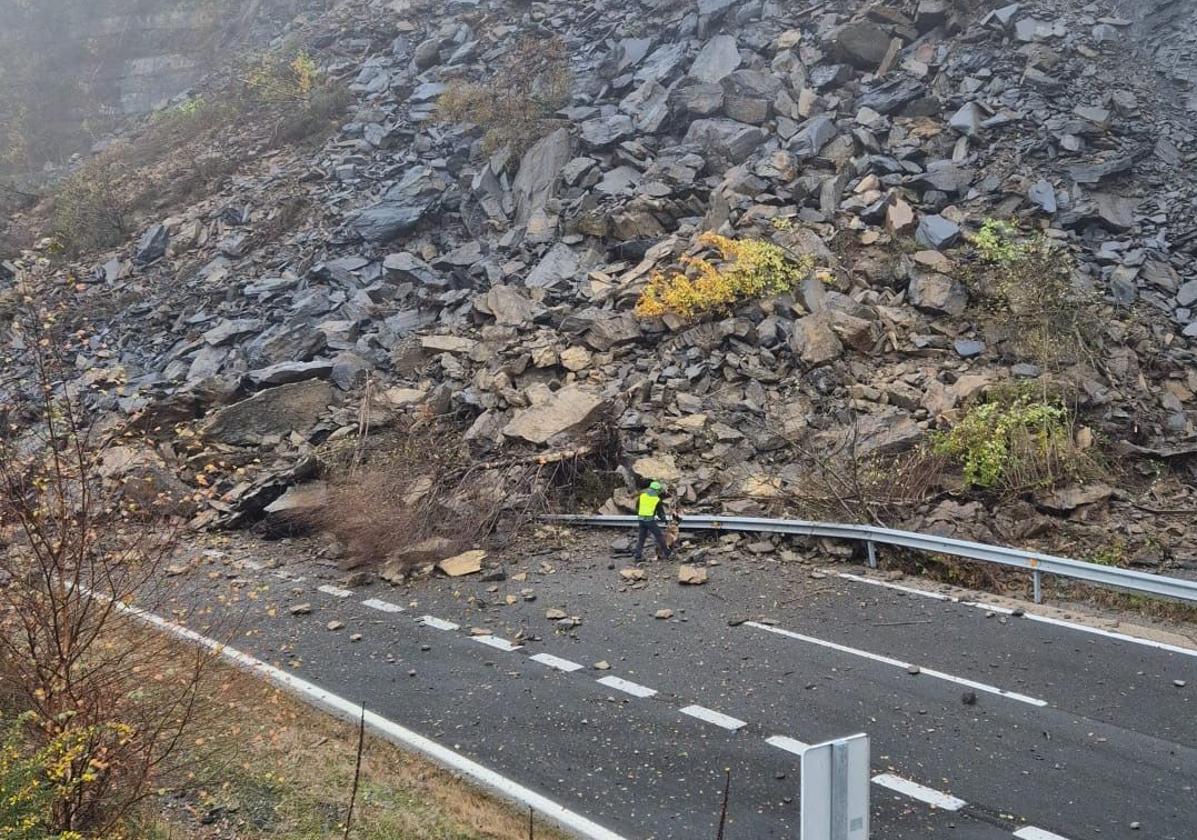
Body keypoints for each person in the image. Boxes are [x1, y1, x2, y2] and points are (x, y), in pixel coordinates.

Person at [633, 480, 672, 562]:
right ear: (657, 490)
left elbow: (637, 507)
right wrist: (664, 521)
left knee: (641, 538)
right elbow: (661, 513)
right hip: (649, 520)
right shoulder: (656, 499)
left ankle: (637, 556)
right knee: (659, 536)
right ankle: (668, 553)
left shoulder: (642, 496)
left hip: (641, 519)